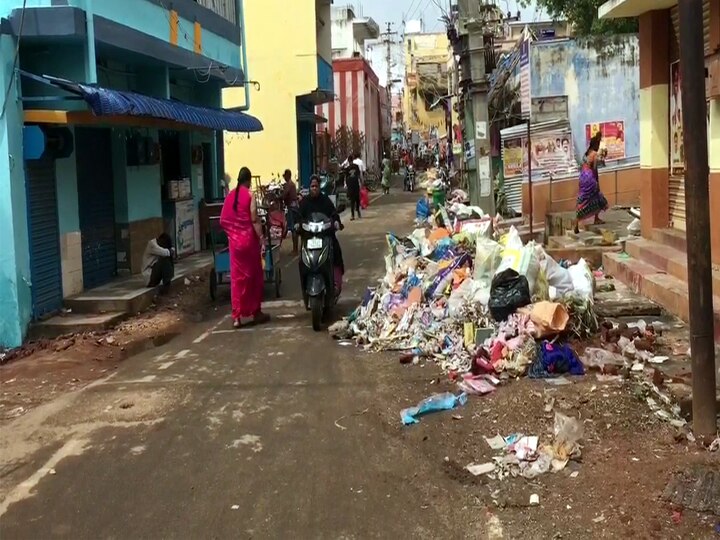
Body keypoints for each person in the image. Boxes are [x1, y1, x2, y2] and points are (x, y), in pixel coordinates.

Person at [220, 167, 271, 329]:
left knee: (237, 280)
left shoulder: (229, 196)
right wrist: (262, 239)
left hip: (235, 246)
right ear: (248, 180)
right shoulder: (250, 195)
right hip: (249, 242)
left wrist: (232, 234)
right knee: (254, 277)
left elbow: (223, 220)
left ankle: (236, 317)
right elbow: (255, 218)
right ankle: (256, 312)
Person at [298, 175, 344, 278]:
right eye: (312, 186)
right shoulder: (304, 202)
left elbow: (333, 213)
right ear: (309, 187)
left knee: (335, 249)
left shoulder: (325, 201)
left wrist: (336, 222)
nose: (314, 188)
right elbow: (299, 216)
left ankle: (336, 280)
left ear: (319, 187)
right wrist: (298, 225)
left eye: (316, 186)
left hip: (324, 234)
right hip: (309, 236)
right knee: (301, 258)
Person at [576, 132, 608, 231]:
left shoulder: (587, 153)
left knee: (584, 198)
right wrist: (596, 181)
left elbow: (583, 165)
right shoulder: (594, 153)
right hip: (590, 177)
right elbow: (594, 168)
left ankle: (580, 220)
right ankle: (588, 219)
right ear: (597, 145)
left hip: (582, 177)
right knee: (597, 195)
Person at [281, 169, 300, 254]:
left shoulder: (289, 184)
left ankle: (295, 249)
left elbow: (284, 194)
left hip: (292, 208)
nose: (284, 177)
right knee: (293, 228)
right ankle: (295, 249)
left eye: (285, 175)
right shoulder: (291, 184)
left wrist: (279, 197)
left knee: (293, 228)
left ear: (287, 175)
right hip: (293, 206)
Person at [345, 154, 362, 220]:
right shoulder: (356, 166)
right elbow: (358, 176)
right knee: (357, 199)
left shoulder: (347, 169)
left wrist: (346, 185)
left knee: (353, 200)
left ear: (349, 161)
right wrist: (361, 183)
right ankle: (357, 211)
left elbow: (346, 178)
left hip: (351, 185)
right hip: (355, 185)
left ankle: (353, 215)